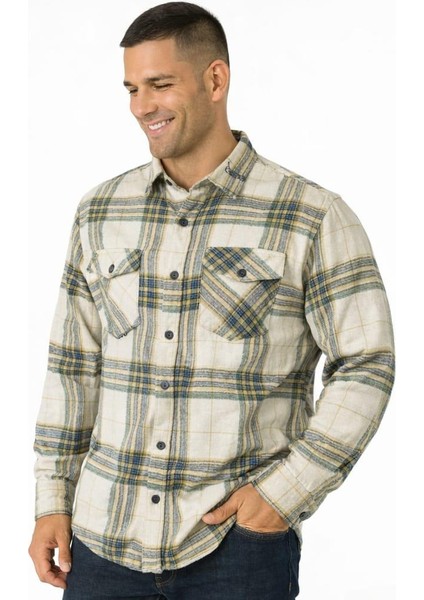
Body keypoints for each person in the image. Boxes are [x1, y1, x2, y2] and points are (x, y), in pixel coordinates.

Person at [28, 2, 395, 599]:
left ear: (216, 80)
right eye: (132, 89)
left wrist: (283, 495)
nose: (142, 106)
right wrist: (51, 500)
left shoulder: (310, 214)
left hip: (235, 550)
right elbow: (73, 366)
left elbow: (367, 363)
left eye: (160, 84)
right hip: (101, 542)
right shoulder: (100, 211)